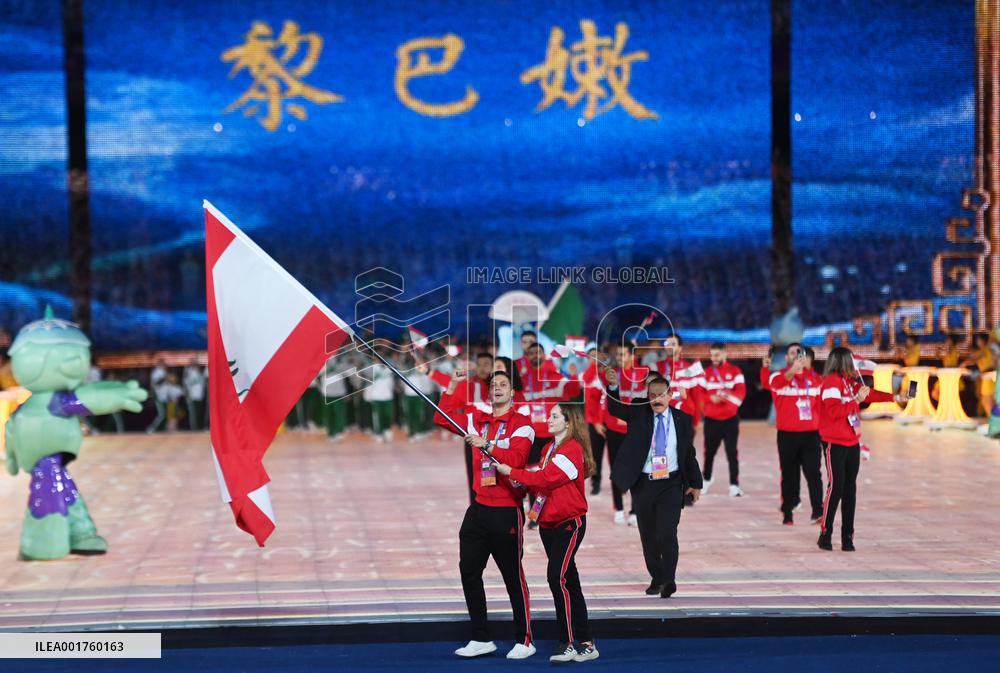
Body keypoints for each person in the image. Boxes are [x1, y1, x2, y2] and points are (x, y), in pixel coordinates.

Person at [434, 370, 536, 660]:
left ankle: (525, 639)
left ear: (513, 392)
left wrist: (488, 445)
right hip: (478, 508)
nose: (497, 389)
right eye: (493, 386)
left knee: (512, 576)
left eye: (503, 385)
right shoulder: (477, 419)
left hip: (506, 511)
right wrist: (452, 385)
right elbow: (442, 417)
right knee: (469, 571)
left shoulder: (522, 425)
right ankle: (481, 637)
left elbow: (517, 459)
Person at [496, 404, 599, 663]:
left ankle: (567, 643)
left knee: (557, 578)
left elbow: (547, 479)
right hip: (549, 524)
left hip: (569, 523)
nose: (549, 419)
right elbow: (541, 481)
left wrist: (514, 473)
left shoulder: (571, 449)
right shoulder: (548, 449)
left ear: (568, 422)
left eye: (555, 416)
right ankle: (586, 643)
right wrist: (521, 480)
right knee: (569, 580)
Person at [606, 372, 703, 598]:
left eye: (661, 395)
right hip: (643, 484)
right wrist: (612, 386)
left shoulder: (682, 419)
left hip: (671, 483)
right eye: (652, 395)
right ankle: (656, 577)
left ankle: (669, 580)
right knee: (648, 535)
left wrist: (695, 483)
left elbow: (688, 453)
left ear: (670, 395)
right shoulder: (639, 413)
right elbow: (615, 409)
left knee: (667, 533)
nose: (656, 399)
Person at [818, 347, 908, 551]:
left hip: (852, 442)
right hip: (835, 442)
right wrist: (855, 401)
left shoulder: (850, 383)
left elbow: (870, 395)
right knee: (836, 487)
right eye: (850, 362)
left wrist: (895, 398)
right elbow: (833, 412)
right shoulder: (831, 382)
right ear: (841, 362)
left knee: (850, 489)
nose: (854, 366)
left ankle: (847, 536)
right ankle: (825, 533)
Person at [762, 342, 824, 525]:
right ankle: (788, 512)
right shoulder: (777, 376)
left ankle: (818, 511)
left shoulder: (816, 379)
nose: (796, 356)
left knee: (814, 473)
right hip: (787, 435)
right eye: (791, 353)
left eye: (799, 353)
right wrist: (793, 371)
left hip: (811, 435)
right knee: (789, 474)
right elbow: (780, 382)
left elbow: (823, 407)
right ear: (787, 358)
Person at [700, 342, 746, 497]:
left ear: (725, 354)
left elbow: (741, 394)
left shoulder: (735, 371)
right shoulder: (705, 373)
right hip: (711, 419)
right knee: (709, 452)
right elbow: (699, 394)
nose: (714, 358)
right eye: (712, 355)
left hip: (730, 419)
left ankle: (734, 485)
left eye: (717, 355)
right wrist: (710, 397)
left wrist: (725, 398)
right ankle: (706, 480)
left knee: (732, 452)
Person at [657, 334, 704, 426]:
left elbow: (697, 397)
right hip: (662, 421)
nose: (669, 346)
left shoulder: (690, 369)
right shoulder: (657, 366)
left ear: (680, 348)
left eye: (673, 344)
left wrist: (695, 422)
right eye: (667, 343)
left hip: (684, 421)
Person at [580, 344, 607, 496]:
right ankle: (595, 483)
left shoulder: (607, 373)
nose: (595, 358)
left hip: (610, 420)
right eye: (592, 356)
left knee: (616, 454)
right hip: (594, 422)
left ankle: (619, 481)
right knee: (596, 454)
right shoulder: (587, 375)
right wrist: (595, 422)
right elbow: (590, 403)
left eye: (597, 355)